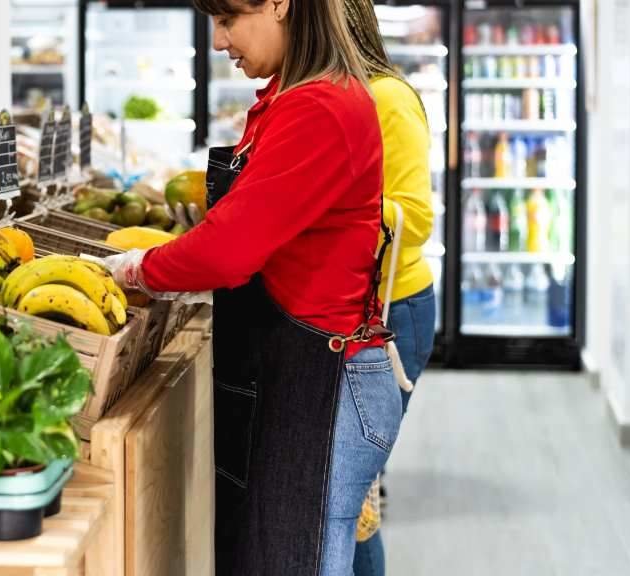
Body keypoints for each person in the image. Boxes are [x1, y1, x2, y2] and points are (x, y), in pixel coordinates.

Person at [103, 0, 403, 573]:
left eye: (228, 20)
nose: (219, 42)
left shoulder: (321, 107)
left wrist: (135, 269)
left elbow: (229, 251)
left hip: (323, 385)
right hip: (298, 374)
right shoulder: (287, 99)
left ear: (279, 4)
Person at [343, 1, 438, 575]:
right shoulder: (329, 99)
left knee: (353, 493)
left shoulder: (387, 98)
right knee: (349, 492)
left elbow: (414, 217)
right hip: (355, 306)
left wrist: (318, 205)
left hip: (394, 309)